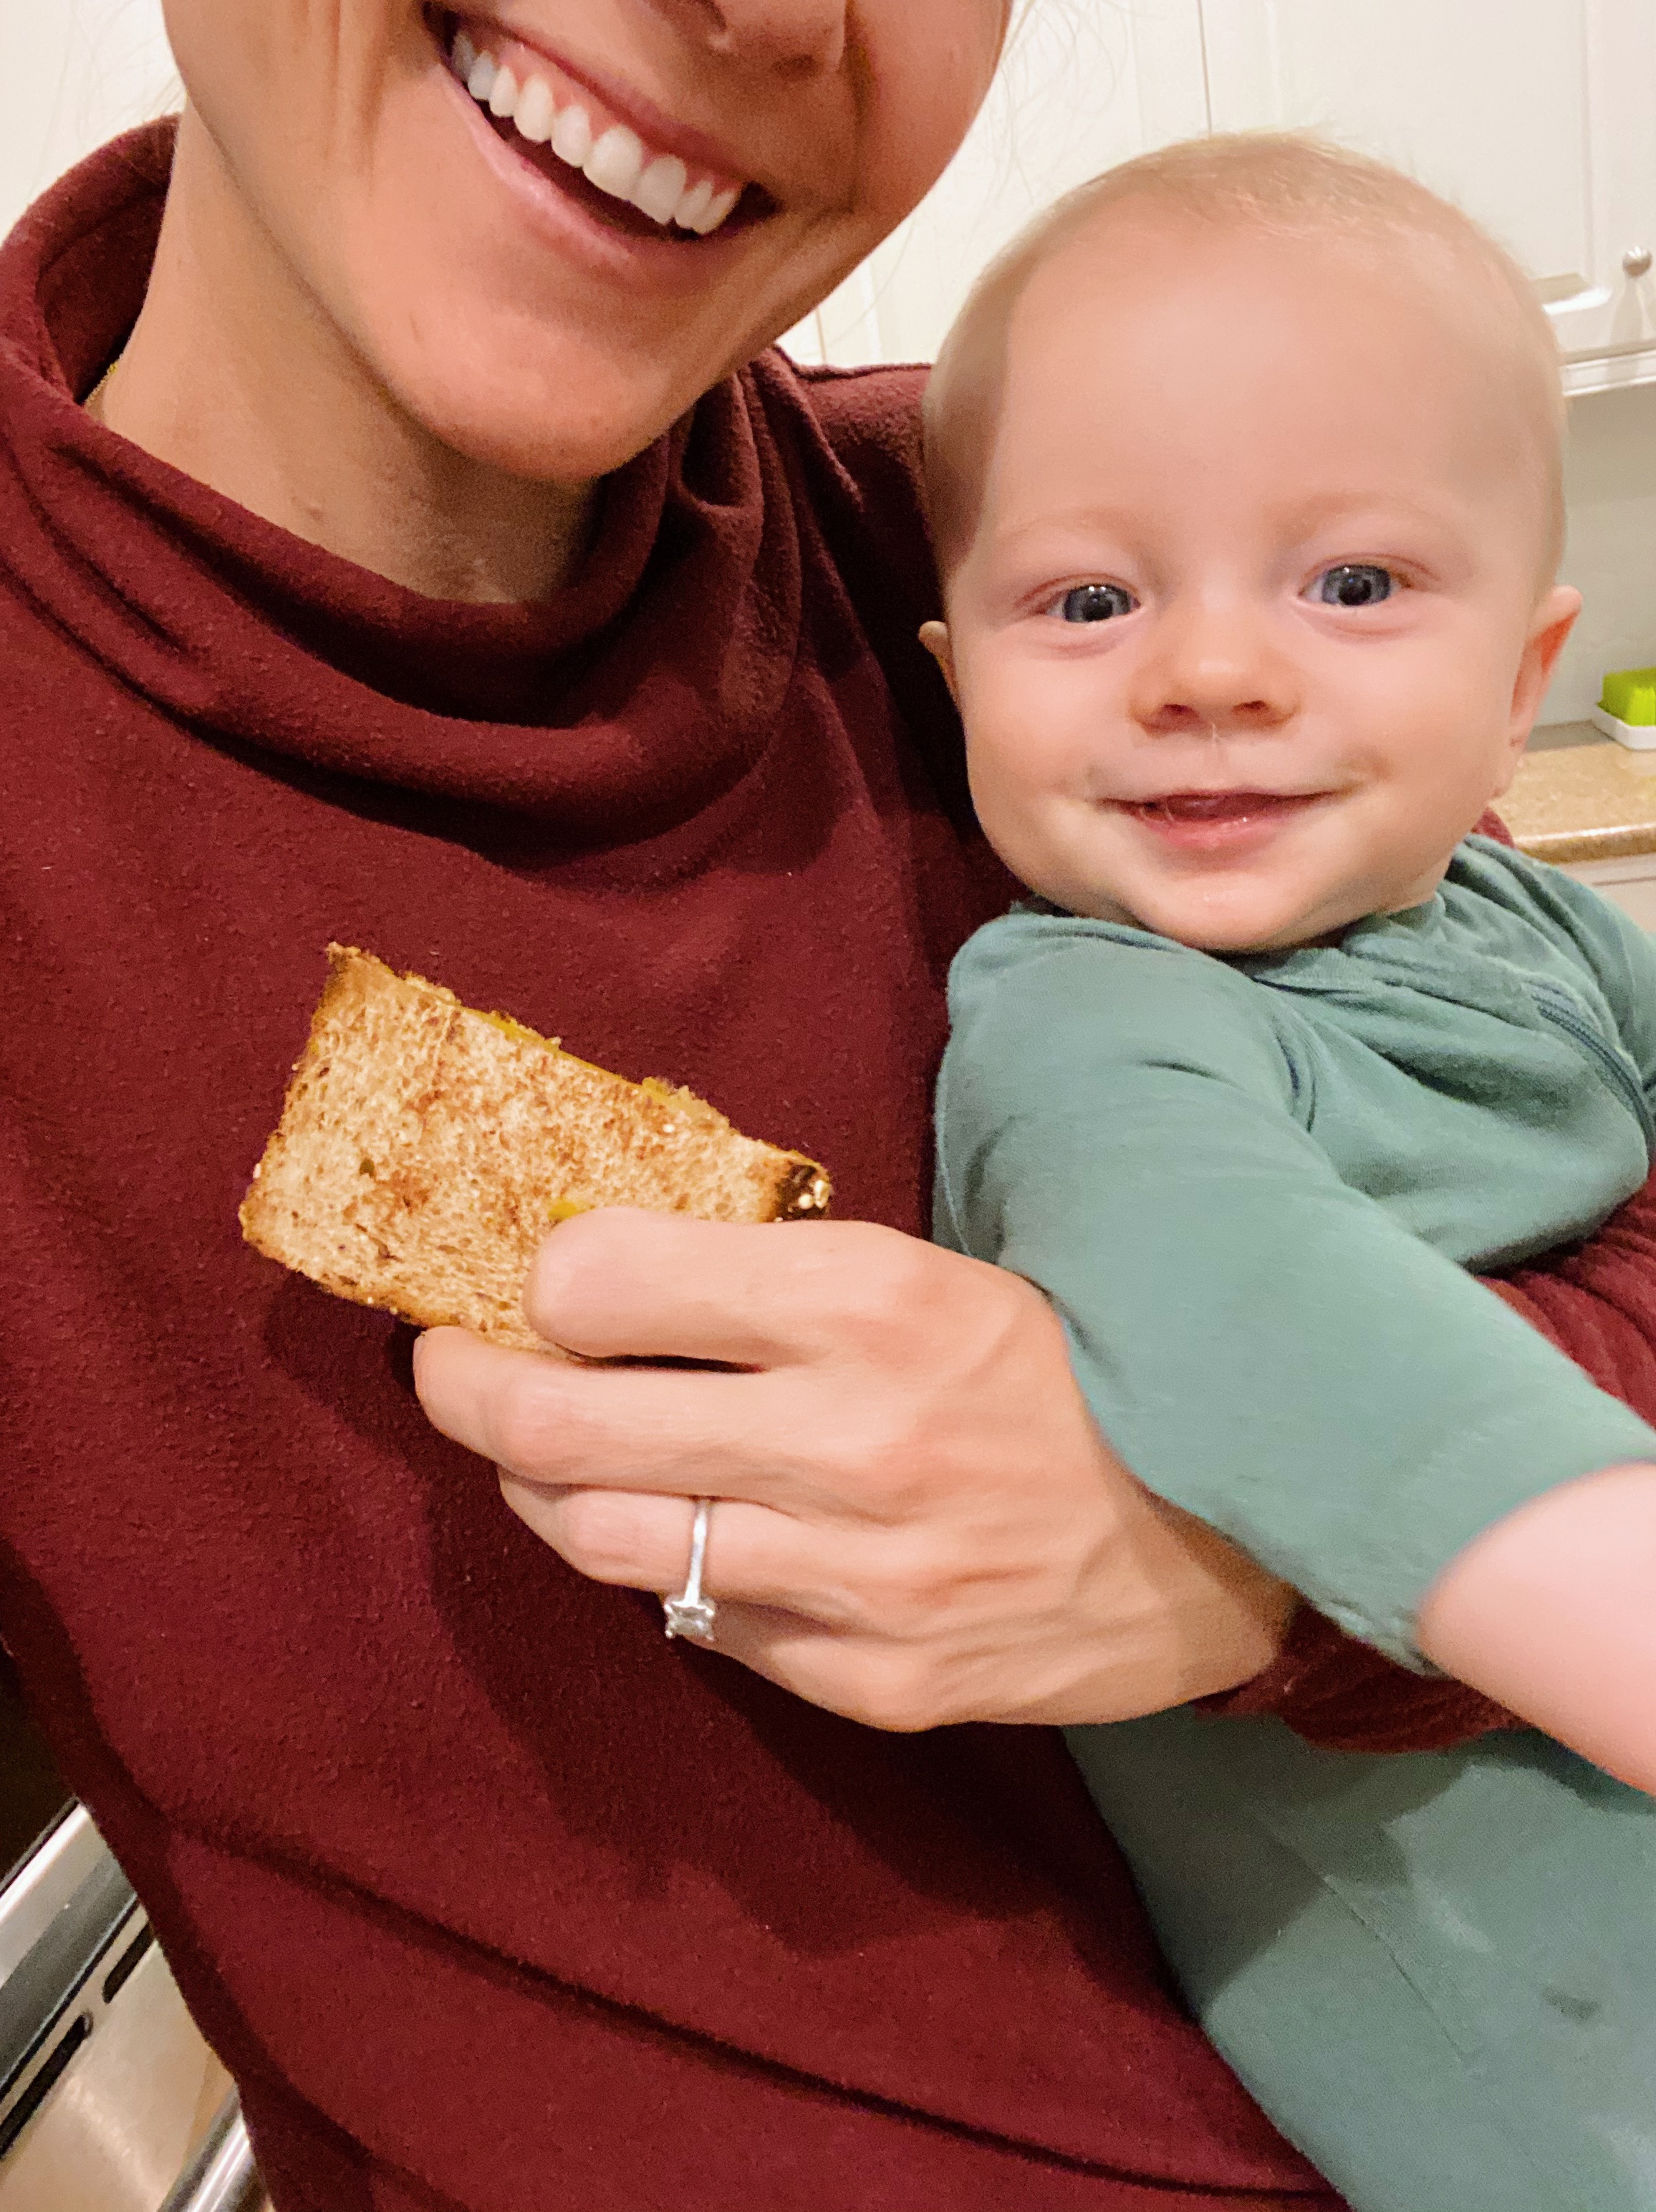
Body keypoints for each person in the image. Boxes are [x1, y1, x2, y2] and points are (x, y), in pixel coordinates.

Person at [0, 3, 1651, 2203]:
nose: (772, 4)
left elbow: (1544, 1108)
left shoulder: (1033, 542)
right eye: (1102, 605)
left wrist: (1266, 1561)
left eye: (1354, 587)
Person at [918, 135, 1656, 2212]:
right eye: (1090, 600)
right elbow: (1247, 1296)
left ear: (1521, 686)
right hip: (1527, 2030)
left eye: (1351, 585)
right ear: (956, 679)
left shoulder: (1524, 920)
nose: (1213, 672)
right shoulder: (1088, 1019)